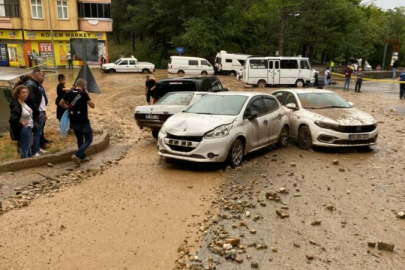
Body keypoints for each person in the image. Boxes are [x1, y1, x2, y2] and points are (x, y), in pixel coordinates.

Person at [59, 79, 95, 165]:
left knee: (79, 138)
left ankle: (83, 157)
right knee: (89, 139)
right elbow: (92, 105)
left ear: (75, 85)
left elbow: (60, 103)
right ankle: (77, 155)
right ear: (83, 86)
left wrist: (69, 108)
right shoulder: (83, 94)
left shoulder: (69, 93)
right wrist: (88, 95)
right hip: (83, 121)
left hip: (73, 121)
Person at [24, 68, 47, 156]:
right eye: (42, 76)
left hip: (40, 111)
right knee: (36, 132)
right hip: (36, 112)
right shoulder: (31, 84)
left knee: (39, 132)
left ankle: (37, 148)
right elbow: (31, 100)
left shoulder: (36, 84)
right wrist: (37, 112)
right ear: (37, 76)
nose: (43, 77)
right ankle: (34, 152)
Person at [9, 86, 35, 158]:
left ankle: (29, 160)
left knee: (29, 146)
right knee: (25, 147)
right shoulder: (16, 105)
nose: (25, 94)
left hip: (29, 127)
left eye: (26, 92)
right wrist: (20, 124)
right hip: (24, 129)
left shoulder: (24, 103)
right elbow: (12, 119)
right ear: (18, 94)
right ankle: (25, 162)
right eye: (23, 93)